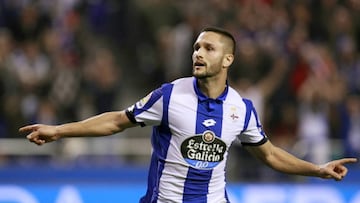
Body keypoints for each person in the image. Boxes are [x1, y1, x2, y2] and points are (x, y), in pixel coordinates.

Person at [20, 27, 357, 203]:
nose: (198, 52)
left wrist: (317, 170)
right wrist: (60, 131)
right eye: (196, 47)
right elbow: (116, 121)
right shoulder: (170, 96)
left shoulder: (241, 108)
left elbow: (268, 154)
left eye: (208, 48)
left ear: (228, 60)